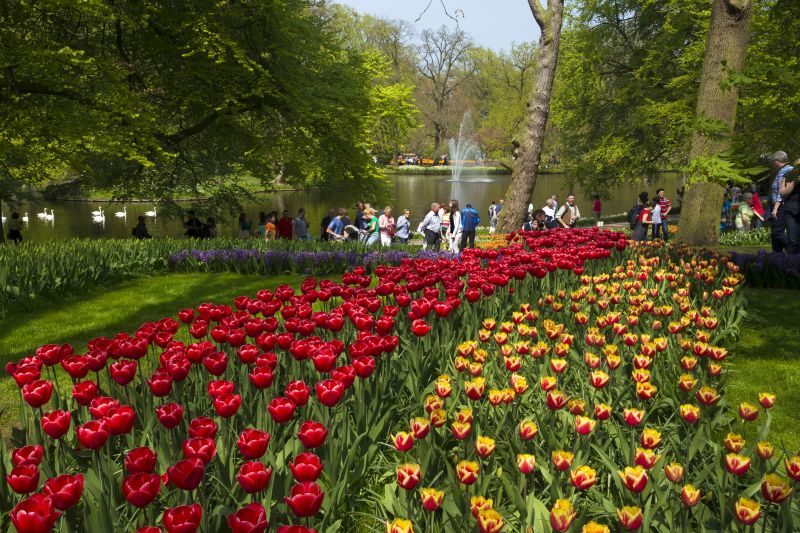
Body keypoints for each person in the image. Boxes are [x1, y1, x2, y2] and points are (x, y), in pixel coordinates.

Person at [770, 151, 794, 252]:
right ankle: (776, 258)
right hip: (779, 205)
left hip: (781, 206)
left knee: (777, 232)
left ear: (777, 161)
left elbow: (782, 192)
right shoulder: (785, 170)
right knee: (774, 235)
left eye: (773, 161)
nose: (772, 163)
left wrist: (775, 208)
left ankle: (793, 250)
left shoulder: (786, 171)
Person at [778, 161, 800, 254]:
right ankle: (793, 263)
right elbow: (782, 193)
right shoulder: (788, 175)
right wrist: (795, 181)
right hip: (792, 211)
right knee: (793, 240)